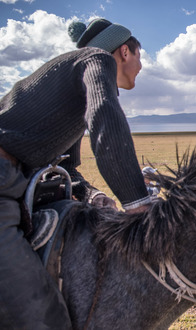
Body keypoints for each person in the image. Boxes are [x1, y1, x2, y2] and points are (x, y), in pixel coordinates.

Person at [0, 18, 152, 329]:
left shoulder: (71, 86)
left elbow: (66, 167)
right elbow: (104, 117)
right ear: (125, 52)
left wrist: (95, 196)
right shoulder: (96, 60)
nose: (141, 66)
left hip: (13, 184)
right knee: (39, 315)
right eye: (140, 56)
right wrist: (139, 203)